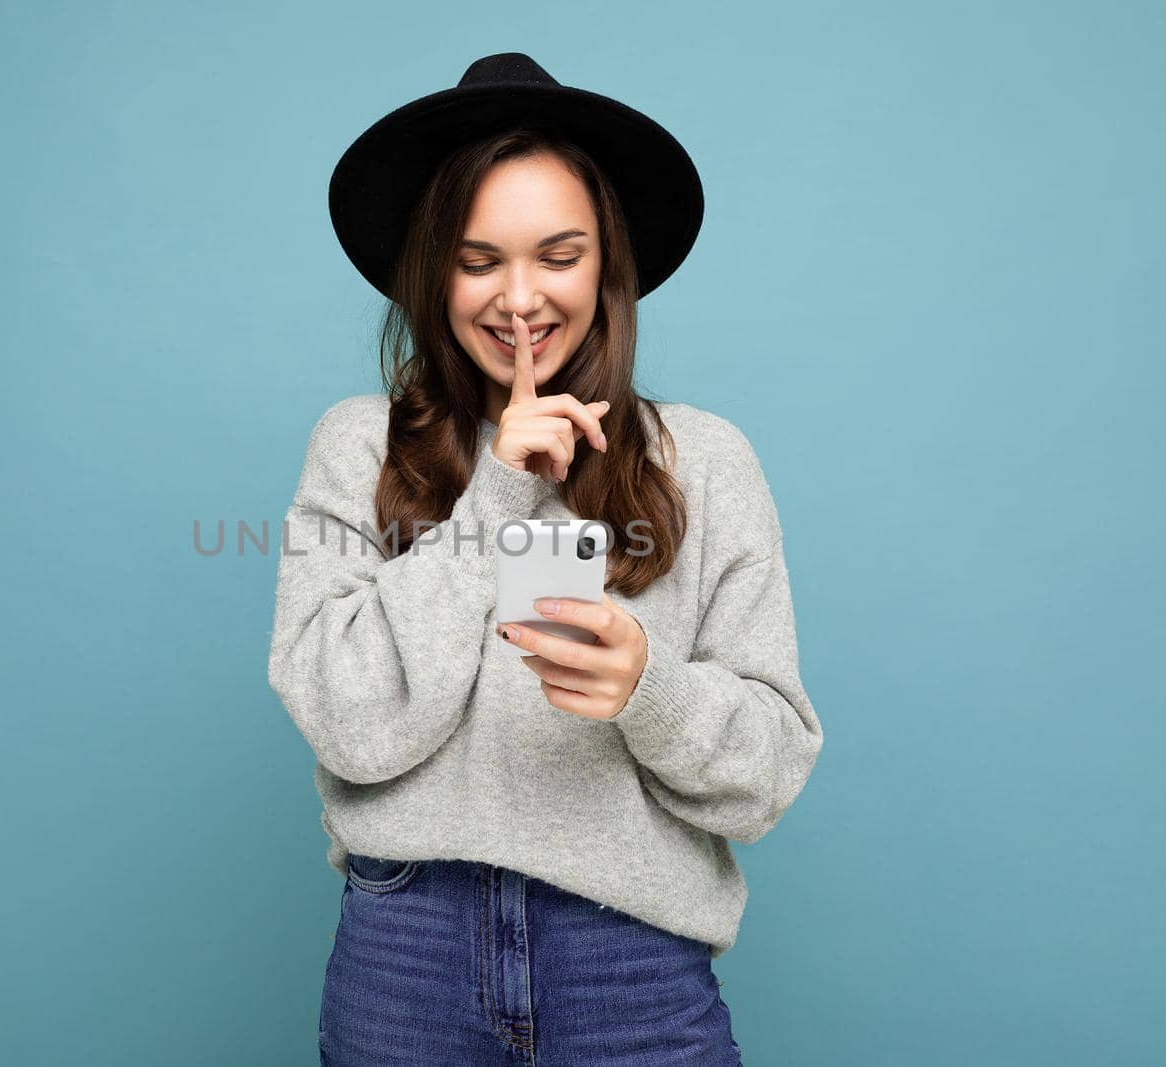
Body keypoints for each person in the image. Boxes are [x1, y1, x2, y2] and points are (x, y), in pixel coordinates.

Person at [267, 52, 824, 1066]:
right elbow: (346, 718)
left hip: (631, 954)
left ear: (607, 264)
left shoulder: (702, 459)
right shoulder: (360, 445)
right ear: (434, 273)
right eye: (478, 260)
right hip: (408, 942)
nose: (518, 298)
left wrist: (644, 689)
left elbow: (767, 773)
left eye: (556, 254)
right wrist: (498, 493)